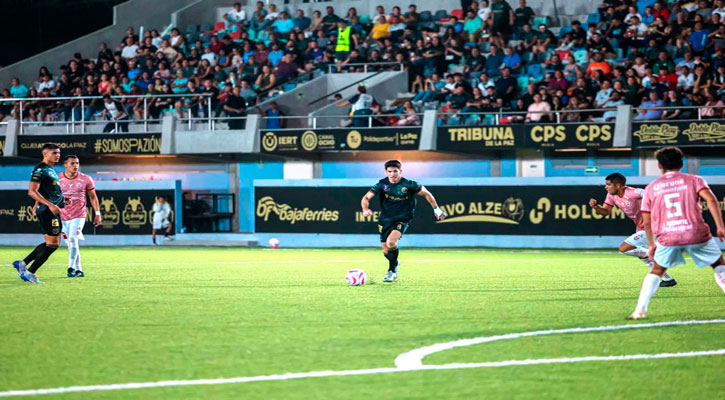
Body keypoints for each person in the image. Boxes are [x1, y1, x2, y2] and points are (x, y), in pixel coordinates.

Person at [628, 147, 725, 319]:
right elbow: (710, 200)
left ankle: (639, 311)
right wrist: (720, 226)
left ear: (659, 166)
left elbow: (647, 220)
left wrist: (651, 244)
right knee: (719, 266)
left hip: (669, 237)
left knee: (657, 270)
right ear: (682, 163)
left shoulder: (651, 188)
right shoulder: (694, 179)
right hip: (696, 233)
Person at [360, 160, 446, 282]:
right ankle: (395, 262)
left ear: (400, 171)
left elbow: (427, 194)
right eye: (390, 171)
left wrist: (436, 209)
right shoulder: (381, 184)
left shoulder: (410, 184)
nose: (392, 174)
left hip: (403, 218)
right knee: (386, 251)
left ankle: (392, 271)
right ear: (386, 172)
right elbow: (366, 197)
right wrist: (365, 209)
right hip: (385, 218)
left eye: (395, 171)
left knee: (391, 243)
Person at [589, 173, 677, 287]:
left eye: (609, 185)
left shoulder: (634, 193)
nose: (606, 187)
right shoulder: (611, 195)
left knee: (624, 248)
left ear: (618, 185)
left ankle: (654, 255)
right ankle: (668, 279)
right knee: (642, 255)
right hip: (641, 227)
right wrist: (596, 207)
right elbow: (605, 212)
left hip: (652, 227)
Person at [12, 143, 65, 284]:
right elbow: (32, 191)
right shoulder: (40, 169)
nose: (57, 155)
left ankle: (23, 263)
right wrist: (50, 205)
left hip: (52, 209)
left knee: (53, 242)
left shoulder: (50, 169)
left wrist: (38, 204)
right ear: (45, 154)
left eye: (58, 152)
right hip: (49, 211)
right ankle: (30, 272)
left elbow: (43, 190)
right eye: (54, 153)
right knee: (53, 244)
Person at [56, 155, 101, 277]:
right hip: (63, 216)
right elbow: (49, 194)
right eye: (72, 163)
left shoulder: (86, 179)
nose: (75, 166)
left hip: (79, 215)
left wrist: (97, 213)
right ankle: (79, 269)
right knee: (70, 244)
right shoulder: (57, 178)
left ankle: (70, 267)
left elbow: (93, 197)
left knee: (73, 239)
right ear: (65, 165)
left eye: (77, 163)